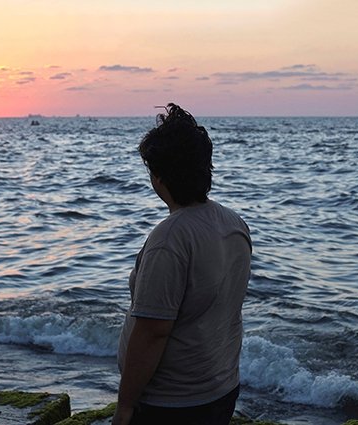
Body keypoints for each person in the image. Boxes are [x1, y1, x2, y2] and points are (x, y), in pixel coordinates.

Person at [113, 103, 252, 425]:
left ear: (159, 176)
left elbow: (153, 333)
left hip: (172, 404)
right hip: (221, 388)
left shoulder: (169, 240)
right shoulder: (233, 223)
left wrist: (125, 406)